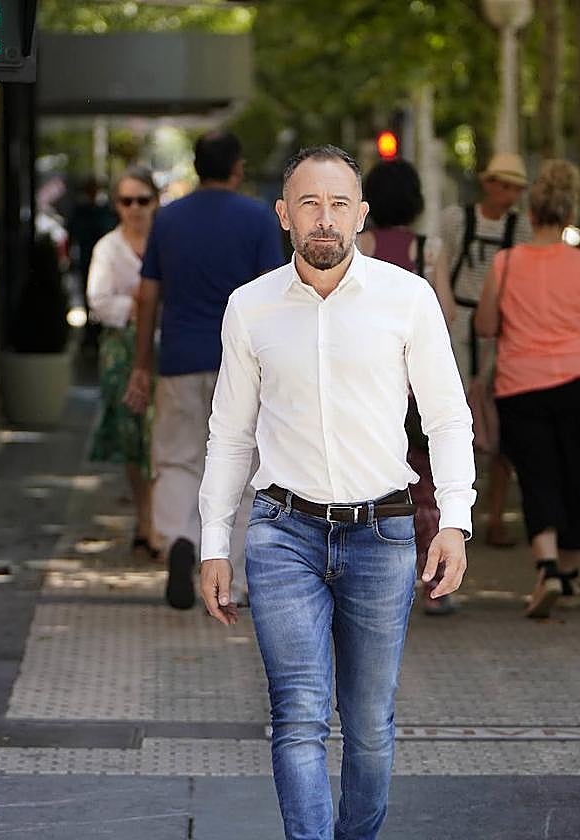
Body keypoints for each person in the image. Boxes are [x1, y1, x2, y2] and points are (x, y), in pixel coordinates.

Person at [197, 145, 474, 840]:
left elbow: (446, 416)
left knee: (370, 723)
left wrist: (455, 520)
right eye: (310, 204)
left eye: (339, 204)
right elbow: (229, 433)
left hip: (382, 533)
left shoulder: (407, 299)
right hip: (282, 533)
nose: (325, 218)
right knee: (297, 714)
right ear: (284, 215)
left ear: (362, 215)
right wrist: (214, 543)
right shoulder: (250, 307)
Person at [124, 131, 283, 609]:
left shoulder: (168, 220)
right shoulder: (258, 217)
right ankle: (232, 579)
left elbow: (148, 294)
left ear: (196, 166)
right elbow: (273, 295)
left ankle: (179, 538)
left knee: (178, 459)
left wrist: (142, 364)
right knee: (242, 465)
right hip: (242, 364)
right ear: (237, 167)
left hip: (178, 359)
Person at [474, 159, 580, 619]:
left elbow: (485, 325)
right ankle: (569, 571)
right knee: (574, 476)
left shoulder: (505, 264)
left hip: (521, 384)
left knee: (536, 476)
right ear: (569, 214)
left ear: (531, 213)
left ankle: (549, 568)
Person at [358, 158, 451, 615]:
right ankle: (435, 582)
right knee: (428, 483)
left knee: (374, 482)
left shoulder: (361, 247)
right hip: (420, 387)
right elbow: (446, 315)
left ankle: (376, 582)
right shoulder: (430, 250)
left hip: (369, 387)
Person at [434, 153, 533, 547]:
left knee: (500, 425)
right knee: (453, 420)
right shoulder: (455, 220)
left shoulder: (520, 228)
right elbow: (440, 268)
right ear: (487, 183)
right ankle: (453, 513)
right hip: (457, 327)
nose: (506, 193)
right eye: (501, 184)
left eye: (514, 187)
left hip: (501, 332)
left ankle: (494, 515)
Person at [87, 167, 159, 560]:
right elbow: (98, 301)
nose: (134, 208)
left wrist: (141, 301)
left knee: (162, 435)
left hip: (166, 348)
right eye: (126, 200)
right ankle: (145, 518)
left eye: (142, 200)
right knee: (132, 437)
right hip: (122, 350)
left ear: (155, 202)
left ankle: (161, 522)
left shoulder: (167, 242)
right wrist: (139, 304)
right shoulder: (108, 248)